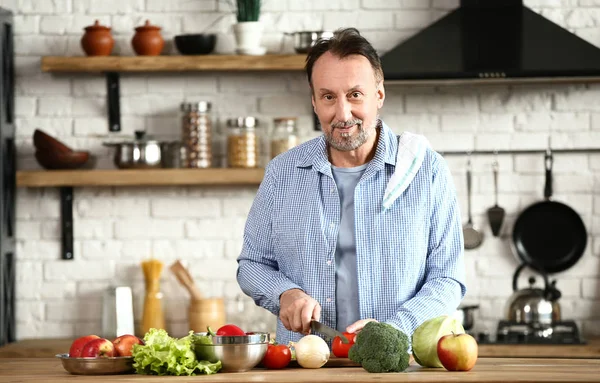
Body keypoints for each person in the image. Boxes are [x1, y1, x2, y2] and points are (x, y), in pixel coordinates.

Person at [236, 27, 466, 346]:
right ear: (315, 102)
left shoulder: (427, 171)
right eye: (329, 97)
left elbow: (447, 279)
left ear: (379, 95)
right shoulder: (282, 174)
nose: (343, 114)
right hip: (306, 363)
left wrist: (392, 332)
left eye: (355, 94)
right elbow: (253, 264)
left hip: (397, 365)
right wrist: (284, 294)